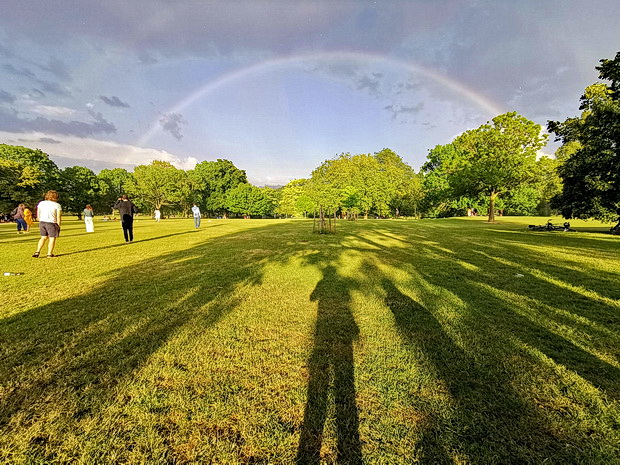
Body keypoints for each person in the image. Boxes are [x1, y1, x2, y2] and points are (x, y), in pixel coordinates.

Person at [32, 190, 62, 258]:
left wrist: (39, 219)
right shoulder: (57, 205)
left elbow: (38, 213)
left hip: (42, 222)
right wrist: (58, 225)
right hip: (51, 223)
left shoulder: (41, 203)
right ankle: (49, 254)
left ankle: (37, 251)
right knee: (52, 239)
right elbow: (58, 217)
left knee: (43, 237)